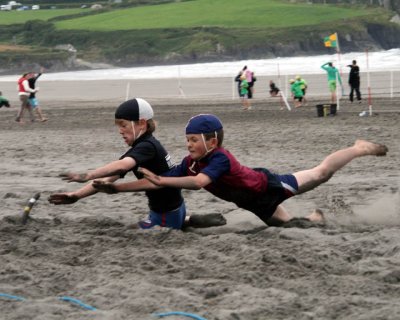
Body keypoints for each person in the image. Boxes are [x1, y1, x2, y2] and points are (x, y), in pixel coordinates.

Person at [98, 114, 388, 227]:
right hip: (252, 203)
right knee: (286, 226)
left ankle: (359, 148)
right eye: (187, 140)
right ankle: (315, 217)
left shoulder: (220, 158)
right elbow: (158, 185)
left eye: (194, 141)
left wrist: (161, 177)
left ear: (211, 142)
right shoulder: (188, 163)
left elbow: (198, 183)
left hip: (268, 186)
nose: (189, 146)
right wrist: (117, 188)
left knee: (321, 172)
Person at [48, 99, 225, 230]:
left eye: (123, 125)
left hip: (165, 211)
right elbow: (109, 179)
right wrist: (76, 196)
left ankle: (184, 222)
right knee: (165, 222)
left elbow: (122, 166)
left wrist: (87, 175)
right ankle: (188, 220)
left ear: (141, 124)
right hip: (172, 207)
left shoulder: (147, 147)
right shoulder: (142, 147)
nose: (120, 131)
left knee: (132, 230)